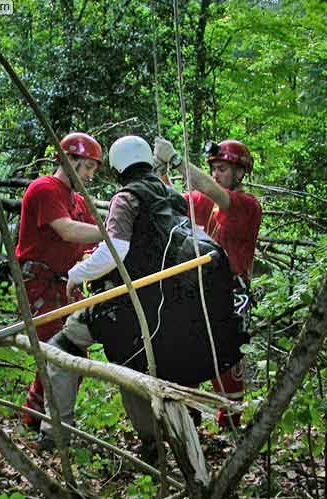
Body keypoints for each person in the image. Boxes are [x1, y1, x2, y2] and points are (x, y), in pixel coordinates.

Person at [37, 136, 245, 452]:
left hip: (130, 305)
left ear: (119, 165)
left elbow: (115, 250)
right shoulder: (172, 198)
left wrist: (76, 275)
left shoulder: (128, 196)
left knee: (62, 348)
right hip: (160, 309)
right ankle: (153, 441)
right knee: (132, 363)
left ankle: (55, 435)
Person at [153, 137, 262, 428]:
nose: (216, 174)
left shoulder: (247, 205)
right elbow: (173, 201)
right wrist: (160, 169)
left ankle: (231, 423)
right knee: (188, 347)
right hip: (200, 287)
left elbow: (213, 192)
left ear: (240, 174)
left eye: (223, 169)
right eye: (214, 168)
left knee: (225, 357)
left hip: (229, 292)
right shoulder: (206, 203)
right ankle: (189, 413)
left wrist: (177, 159)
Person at [15, 132, 104, 430]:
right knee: (58, 350)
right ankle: (41, 421)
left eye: (93, 168)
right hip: (38, 280)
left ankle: (40, 416)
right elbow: (68, 230)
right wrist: (112, 233)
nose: (90, 175)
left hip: (64, 282)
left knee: (72, 347)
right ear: (69, 161)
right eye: (88, 167)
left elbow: (93, 240)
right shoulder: (44, 188)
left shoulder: (77, 200)